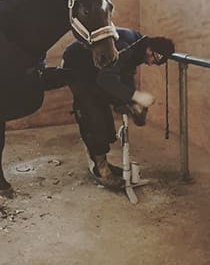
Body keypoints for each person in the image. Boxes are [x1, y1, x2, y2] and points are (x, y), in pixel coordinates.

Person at [60, 28, 175, 189]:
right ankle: (100, 170)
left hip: (95, 66)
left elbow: (125, 73)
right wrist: (136, 96)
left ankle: (100, 161)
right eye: (154, 59)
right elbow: (106, 79)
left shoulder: (138, 46)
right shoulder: (125, 46)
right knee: (93, 111)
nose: (151, 63)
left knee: (105, 106)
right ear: (150, 49)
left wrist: (131, 103)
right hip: (78, 66)